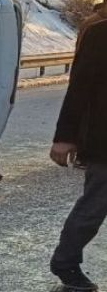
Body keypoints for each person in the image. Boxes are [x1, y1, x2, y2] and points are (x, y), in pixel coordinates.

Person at [48, 20, 107, 291]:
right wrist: (65, 136)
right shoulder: (100, 33)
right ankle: (65, 262)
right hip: (104, 139)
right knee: (94, 207)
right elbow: (79, 86)